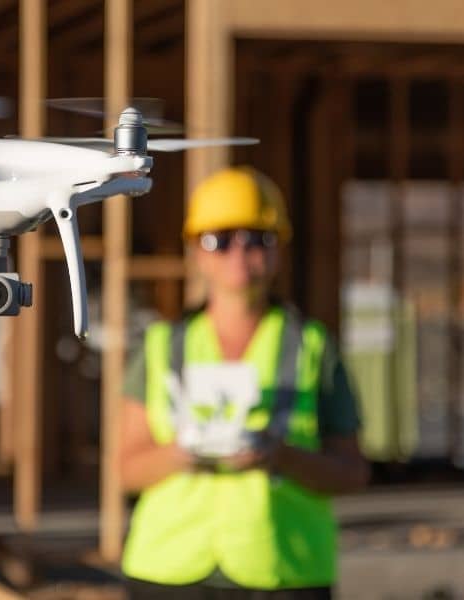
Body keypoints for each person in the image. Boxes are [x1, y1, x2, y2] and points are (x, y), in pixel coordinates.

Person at [117, 166, 369, 600]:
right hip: (168, 569)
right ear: (195, 250)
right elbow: (126, 469)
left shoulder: (313, 347)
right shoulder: (160, 347)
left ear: (279, 250)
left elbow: (351, 472)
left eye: (257, 238)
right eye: (219, 239)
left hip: (284, 570)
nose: (238, 252)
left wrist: (281, 457)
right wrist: (184, 452)